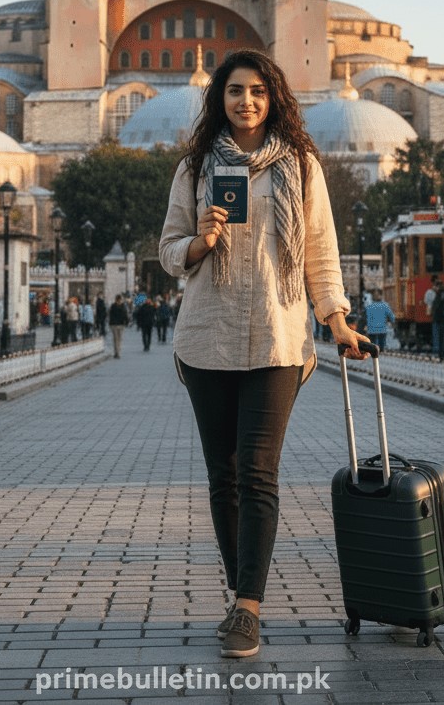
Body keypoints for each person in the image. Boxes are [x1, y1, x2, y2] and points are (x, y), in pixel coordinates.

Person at [158, 48, 364, 660]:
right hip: (207, 339)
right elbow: (168, 250)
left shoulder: (300, 167)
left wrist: (337, 319)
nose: (245, 102)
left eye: (257, 92)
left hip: (278, 339)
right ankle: (238, 591)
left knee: (256, 472)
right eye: (234, 92)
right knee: (223, 476)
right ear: (218, 99)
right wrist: (202, 240)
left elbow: (321, 252)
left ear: (273, 98)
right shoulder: (195, 167)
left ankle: (248, 607)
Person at [430, 279, 444, 358]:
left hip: (438, 318)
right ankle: (440, 349)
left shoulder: (439, 295)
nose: (434, 288)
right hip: (442, 319)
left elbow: (437, 307)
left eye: (435, 286)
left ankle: (437, 349)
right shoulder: (443, 294)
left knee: (437, 334)